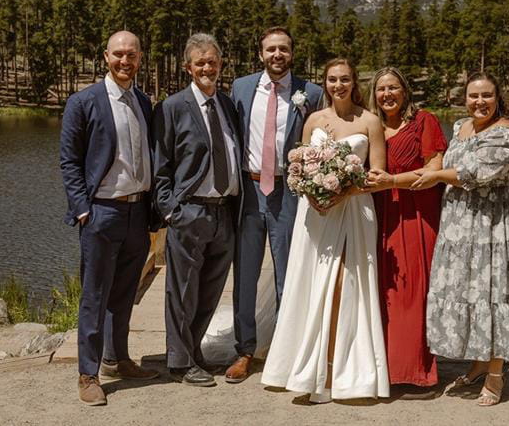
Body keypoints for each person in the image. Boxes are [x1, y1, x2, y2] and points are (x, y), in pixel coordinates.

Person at [414, 72, 509, 406]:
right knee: (471, 290)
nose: (479, 102)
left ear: (498, 97)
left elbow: (475, 172)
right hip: (464, 222)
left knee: (496, 291)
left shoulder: (507, 133)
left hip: (499, 223)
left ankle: (495, 372)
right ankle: (479, 361)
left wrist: (433, 175)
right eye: (474, 96)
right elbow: (450, 162)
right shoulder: (461, 126)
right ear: (465, 98)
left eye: (486, 95)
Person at [261, 58, 390, 403]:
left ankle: (340, 370)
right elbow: (300, 166)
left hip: (353, 210)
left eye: (345, 79)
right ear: (325, 83)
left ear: (354, 82)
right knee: (312, 284)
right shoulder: (314, 119)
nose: (338, 86)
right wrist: (311, 192)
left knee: (346, 286)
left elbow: (377, 175)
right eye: (332, 80)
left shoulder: (370, 121)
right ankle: (310, 366)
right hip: (316, 213)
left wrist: (345, 189)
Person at [60, 31, 159, 406]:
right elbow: (69, 161)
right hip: (101, 212)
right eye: (118, 54)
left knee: (125, 294)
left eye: (131, 55)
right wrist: (83, 208)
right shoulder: (83, 102)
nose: (125, 61)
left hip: (137, 212)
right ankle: (88, 373)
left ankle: (118, 359)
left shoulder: (143, 102)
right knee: (94, 297)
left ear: (139, 57)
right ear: (106, 57)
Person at [226, 27, 322, 383]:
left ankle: (284, 349)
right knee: (246, 275)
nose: (277, 54)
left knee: (288, 273)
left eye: (283, 49)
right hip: (249, 193)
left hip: (289, 193)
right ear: (261, 54)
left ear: (292, 54)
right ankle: (244, 350)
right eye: (271, 49)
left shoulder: (310, 93)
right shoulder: (241, 87)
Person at [152, 33, 243, 387]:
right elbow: (160, 166)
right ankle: (179, 361)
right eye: (200, 62)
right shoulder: (172, 107)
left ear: (221, 65)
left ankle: (194, 350)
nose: (207, 67)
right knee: (182, 290)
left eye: (213, 61)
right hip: (189, 212)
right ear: (188, 67)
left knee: (211, 289)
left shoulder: (227, 104)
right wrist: (171, 210)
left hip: (225, 212)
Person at [363, 67, 447, 391]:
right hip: (380, 215)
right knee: (382, 292)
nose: (387, 94)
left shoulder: (423, 121)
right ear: (374, 93)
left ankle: (414, 371)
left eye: (393, 88)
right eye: (381, 88)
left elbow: (435, 169)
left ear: (405, 91)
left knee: (412, 291)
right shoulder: (372, 127)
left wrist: (393, 181)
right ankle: (381, 367)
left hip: (415, 215)